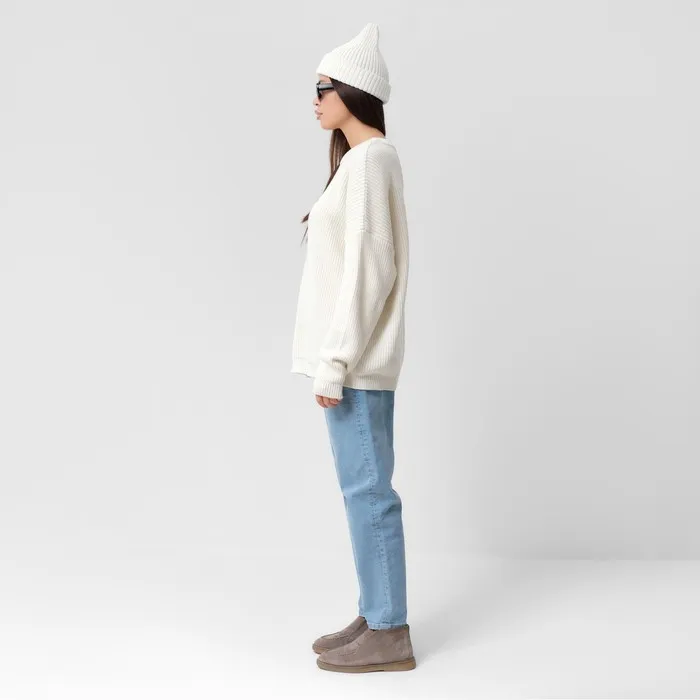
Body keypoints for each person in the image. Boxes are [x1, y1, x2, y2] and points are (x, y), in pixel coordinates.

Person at [291, 22, 415, 673]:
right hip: (353, 364)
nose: (314, 100)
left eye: (323, 88)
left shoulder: (370, 161)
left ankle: (390, 631)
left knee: (368, 493)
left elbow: (371, 271)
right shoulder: (359, 163)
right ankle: (376, 612)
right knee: (362, 490)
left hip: (357, 366)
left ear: (353, 92)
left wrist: (334, 362)